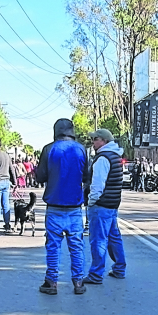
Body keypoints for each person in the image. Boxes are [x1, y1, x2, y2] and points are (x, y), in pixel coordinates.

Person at [34, 118, 89, 295]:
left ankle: (51, 283)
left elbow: (40, 177)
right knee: (76, 246)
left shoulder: (49, 149)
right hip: (74, 208)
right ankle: (78, 282)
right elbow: (86, 176)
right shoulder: (81, 149)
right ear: (72, 131)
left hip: (54, 207)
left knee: (53, 247)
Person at [84, 129, 127, 283]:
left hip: (101, 205)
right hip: (112, 203)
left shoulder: (102, 158)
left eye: (95, 139)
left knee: (98, 240)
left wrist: (91, 202)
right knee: (114, 237)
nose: (92, 142)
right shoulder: (115, 156)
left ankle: (96, 274)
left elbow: (97, 185)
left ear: (104, 141)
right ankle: (119, 268)